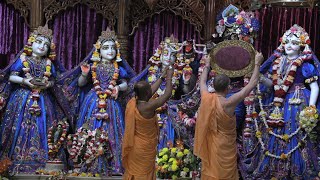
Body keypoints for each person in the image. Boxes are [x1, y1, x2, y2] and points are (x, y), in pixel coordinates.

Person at [238, 24, 320, 179]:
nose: (289, 45)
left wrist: (311, 108)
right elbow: (273, 85)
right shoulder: (277, 61)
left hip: (297, 101)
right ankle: (275, 169)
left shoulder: (305, 63)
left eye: (294, 43)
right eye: (287, 42)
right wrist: (260, 76)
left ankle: (296, 170)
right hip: (278, 103)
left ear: (302, 45)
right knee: (274, 134)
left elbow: (315, 87)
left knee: (297, 135)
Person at [0, 25, 66, 173]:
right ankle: (15, 161)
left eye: (46, 44)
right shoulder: (23, 59)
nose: (42, 46)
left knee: (44, 126)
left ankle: (42, 163)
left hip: (43, 99)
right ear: (31, 43)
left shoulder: (49, 64)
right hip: (22, 98)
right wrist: (24, 81)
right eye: (39, 42)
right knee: (19, 128)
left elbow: (55, 81)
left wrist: (47, 84)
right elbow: (11, 76)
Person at [194, 52, 263, 180]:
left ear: (213, 86)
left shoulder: (206, 96)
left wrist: (207, 65)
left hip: (211, 146)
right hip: (225, 147)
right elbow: (252, 84)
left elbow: (202, 81)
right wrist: (257, 63)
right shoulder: (229, 103)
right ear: (228, 88)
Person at [122, 67, 174, 180]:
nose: (151, 90)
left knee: (135, 174)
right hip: (144, 148)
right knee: (143, 174)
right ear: (146, 93)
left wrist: (161, 76)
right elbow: (167, 94)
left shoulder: (133, 102)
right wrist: (169, 76)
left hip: (135, 146)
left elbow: (150, 91)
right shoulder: (148, 106)